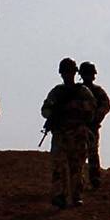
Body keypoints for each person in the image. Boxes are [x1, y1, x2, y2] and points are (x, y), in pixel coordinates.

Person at [41, 58, 96, 209]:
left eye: (69, 72)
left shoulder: (82, 91)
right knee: (58, 165)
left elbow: (91, 110)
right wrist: (53, 113)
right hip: (60, 133)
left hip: (77, 132)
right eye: (65, 72)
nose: (67, 75)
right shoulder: (57, 92)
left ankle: (76, 195)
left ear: (74, 72)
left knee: (76, 166)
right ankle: (59, 195)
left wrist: (74, 107)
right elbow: (45, 110)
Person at [78, 61, 110, 189]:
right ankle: (78, 180)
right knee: (79, 153)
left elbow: (106, 106)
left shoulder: (97, 91)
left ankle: (94, 178)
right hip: (78, 126)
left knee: (92, 152)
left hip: (91, 126)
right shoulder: (77, 90)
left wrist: (95, 118)